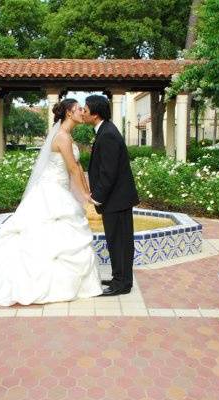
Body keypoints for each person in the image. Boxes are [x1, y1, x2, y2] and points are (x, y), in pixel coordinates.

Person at [0, 99, 102, 306]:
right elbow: (73, 169)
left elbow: (78, 167)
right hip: (51, 191)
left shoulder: (69, 137)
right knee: (43, 238)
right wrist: (84, 195)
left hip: (60, 190)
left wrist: (86, 190)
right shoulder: (62, 138)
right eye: (78, 109)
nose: (82, 112)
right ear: (68, 113)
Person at [83, 95, 140, 296]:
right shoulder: (105, 130)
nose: (83, 112)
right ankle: (120, 277)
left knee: (120, 242)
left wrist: (97, 196)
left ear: (95, 113)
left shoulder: (107, 134)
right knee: (117, 241)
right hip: (116, 199)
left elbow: (109, 171)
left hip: (117, 200)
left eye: (85, 109)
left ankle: (122, 284)